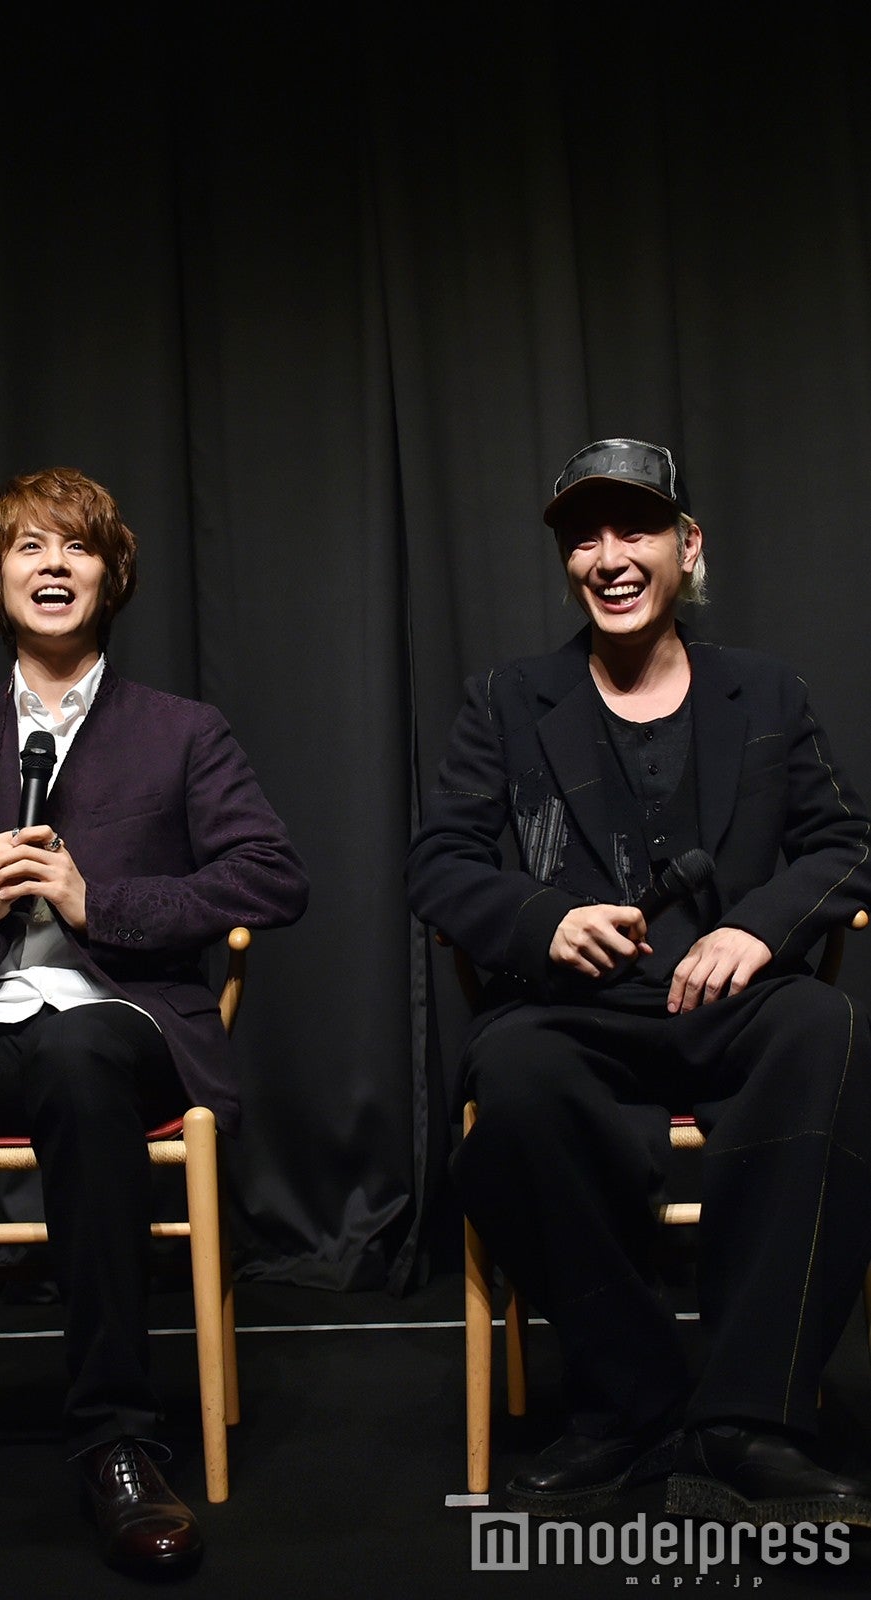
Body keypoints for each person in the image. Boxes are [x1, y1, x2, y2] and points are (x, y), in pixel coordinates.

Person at [0, 467, 309, 1577]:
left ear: (108, 576)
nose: (52, 564)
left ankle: (116, 1440)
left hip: (126, 1025)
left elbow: (272, 877)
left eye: (76, 546)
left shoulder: (182, 732)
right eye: (28, 546)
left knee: (79, 1053)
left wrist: (99, 902)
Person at [405, 437, 871, 1526]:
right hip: (572, 1013)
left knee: (828, 1030)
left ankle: (752, 1417)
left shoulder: (767, 690)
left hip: (732, 1001)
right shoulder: (508, 698)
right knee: (513, 1086)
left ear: (686, 546)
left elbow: (845, 841)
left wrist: (757, 929)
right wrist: (544, 919)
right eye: (584, 538)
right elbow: (440, 864)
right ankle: (632, 1400)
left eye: (635, 530)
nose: (609, 557)